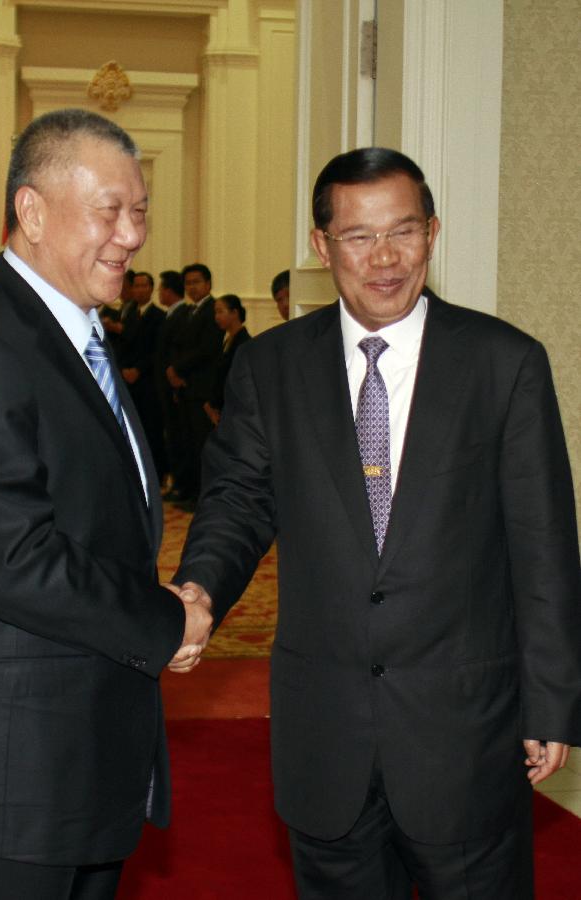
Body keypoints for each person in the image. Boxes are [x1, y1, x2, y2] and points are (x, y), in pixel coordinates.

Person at [172, 147, 581, 898]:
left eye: (404, 231)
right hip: (325, 733)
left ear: (431, 232)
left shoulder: (503, 363)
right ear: (322, 247)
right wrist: (199, 588)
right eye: (359, 237)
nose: (385, 258)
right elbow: (236, 502)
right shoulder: (270, 366)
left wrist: (552, 700)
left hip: (465, 732)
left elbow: (543, 544)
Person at [0, 108, 211, 900]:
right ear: (31, 211)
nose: (133, 233)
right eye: (109, 209)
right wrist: (161, 618)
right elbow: (11, 555)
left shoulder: (70, 334)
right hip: (6, 780)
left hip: (72, 769)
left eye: (139, 209)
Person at [166, 263, 222, 509]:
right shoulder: (189, 311)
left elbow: (207, 348)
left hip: (202, 387)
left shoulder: (212, 309)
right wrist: (175, 372)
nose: (192, 287)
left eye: (197, 282)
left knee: (203, 445)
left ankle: (203, 495)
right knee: (188, 442)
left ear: (208, 284)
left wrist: (178, 369)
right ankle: (189, 490)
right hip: (186, 387)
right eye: (188, 283)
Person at [118, 271, 167, 483]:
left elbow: (156, 350)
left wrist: (138, 369)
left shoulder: (158, 315)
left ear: (151, 289)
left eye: (143, 286)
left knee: (152, 429)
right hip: (127, 381)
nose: (138, 290)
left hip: (148, 381)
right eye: (135, 286)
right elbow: (121, 345)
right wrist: (123, 369)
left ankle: (157, 474)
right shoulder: (128, 313)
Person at [155, 270, 194, 501]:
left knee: (181, 437)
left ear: (169, 291)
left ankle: (183, 485)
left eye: (160, 288)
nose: (159, 293)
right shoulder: (170, 314)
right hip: (164, 385)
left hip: (175, 386)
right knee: (172, 436)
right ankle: (178, 483)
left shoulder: (182, 314)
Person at [203, 293, 251, 427]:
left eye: (220, 312)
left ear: (234, 313)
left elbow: (233, 378)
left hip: (232, 408)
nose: (216, 317)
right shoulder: (228, 340)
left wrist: (215, 404)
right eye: (215, 312)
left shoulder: (243, 342)